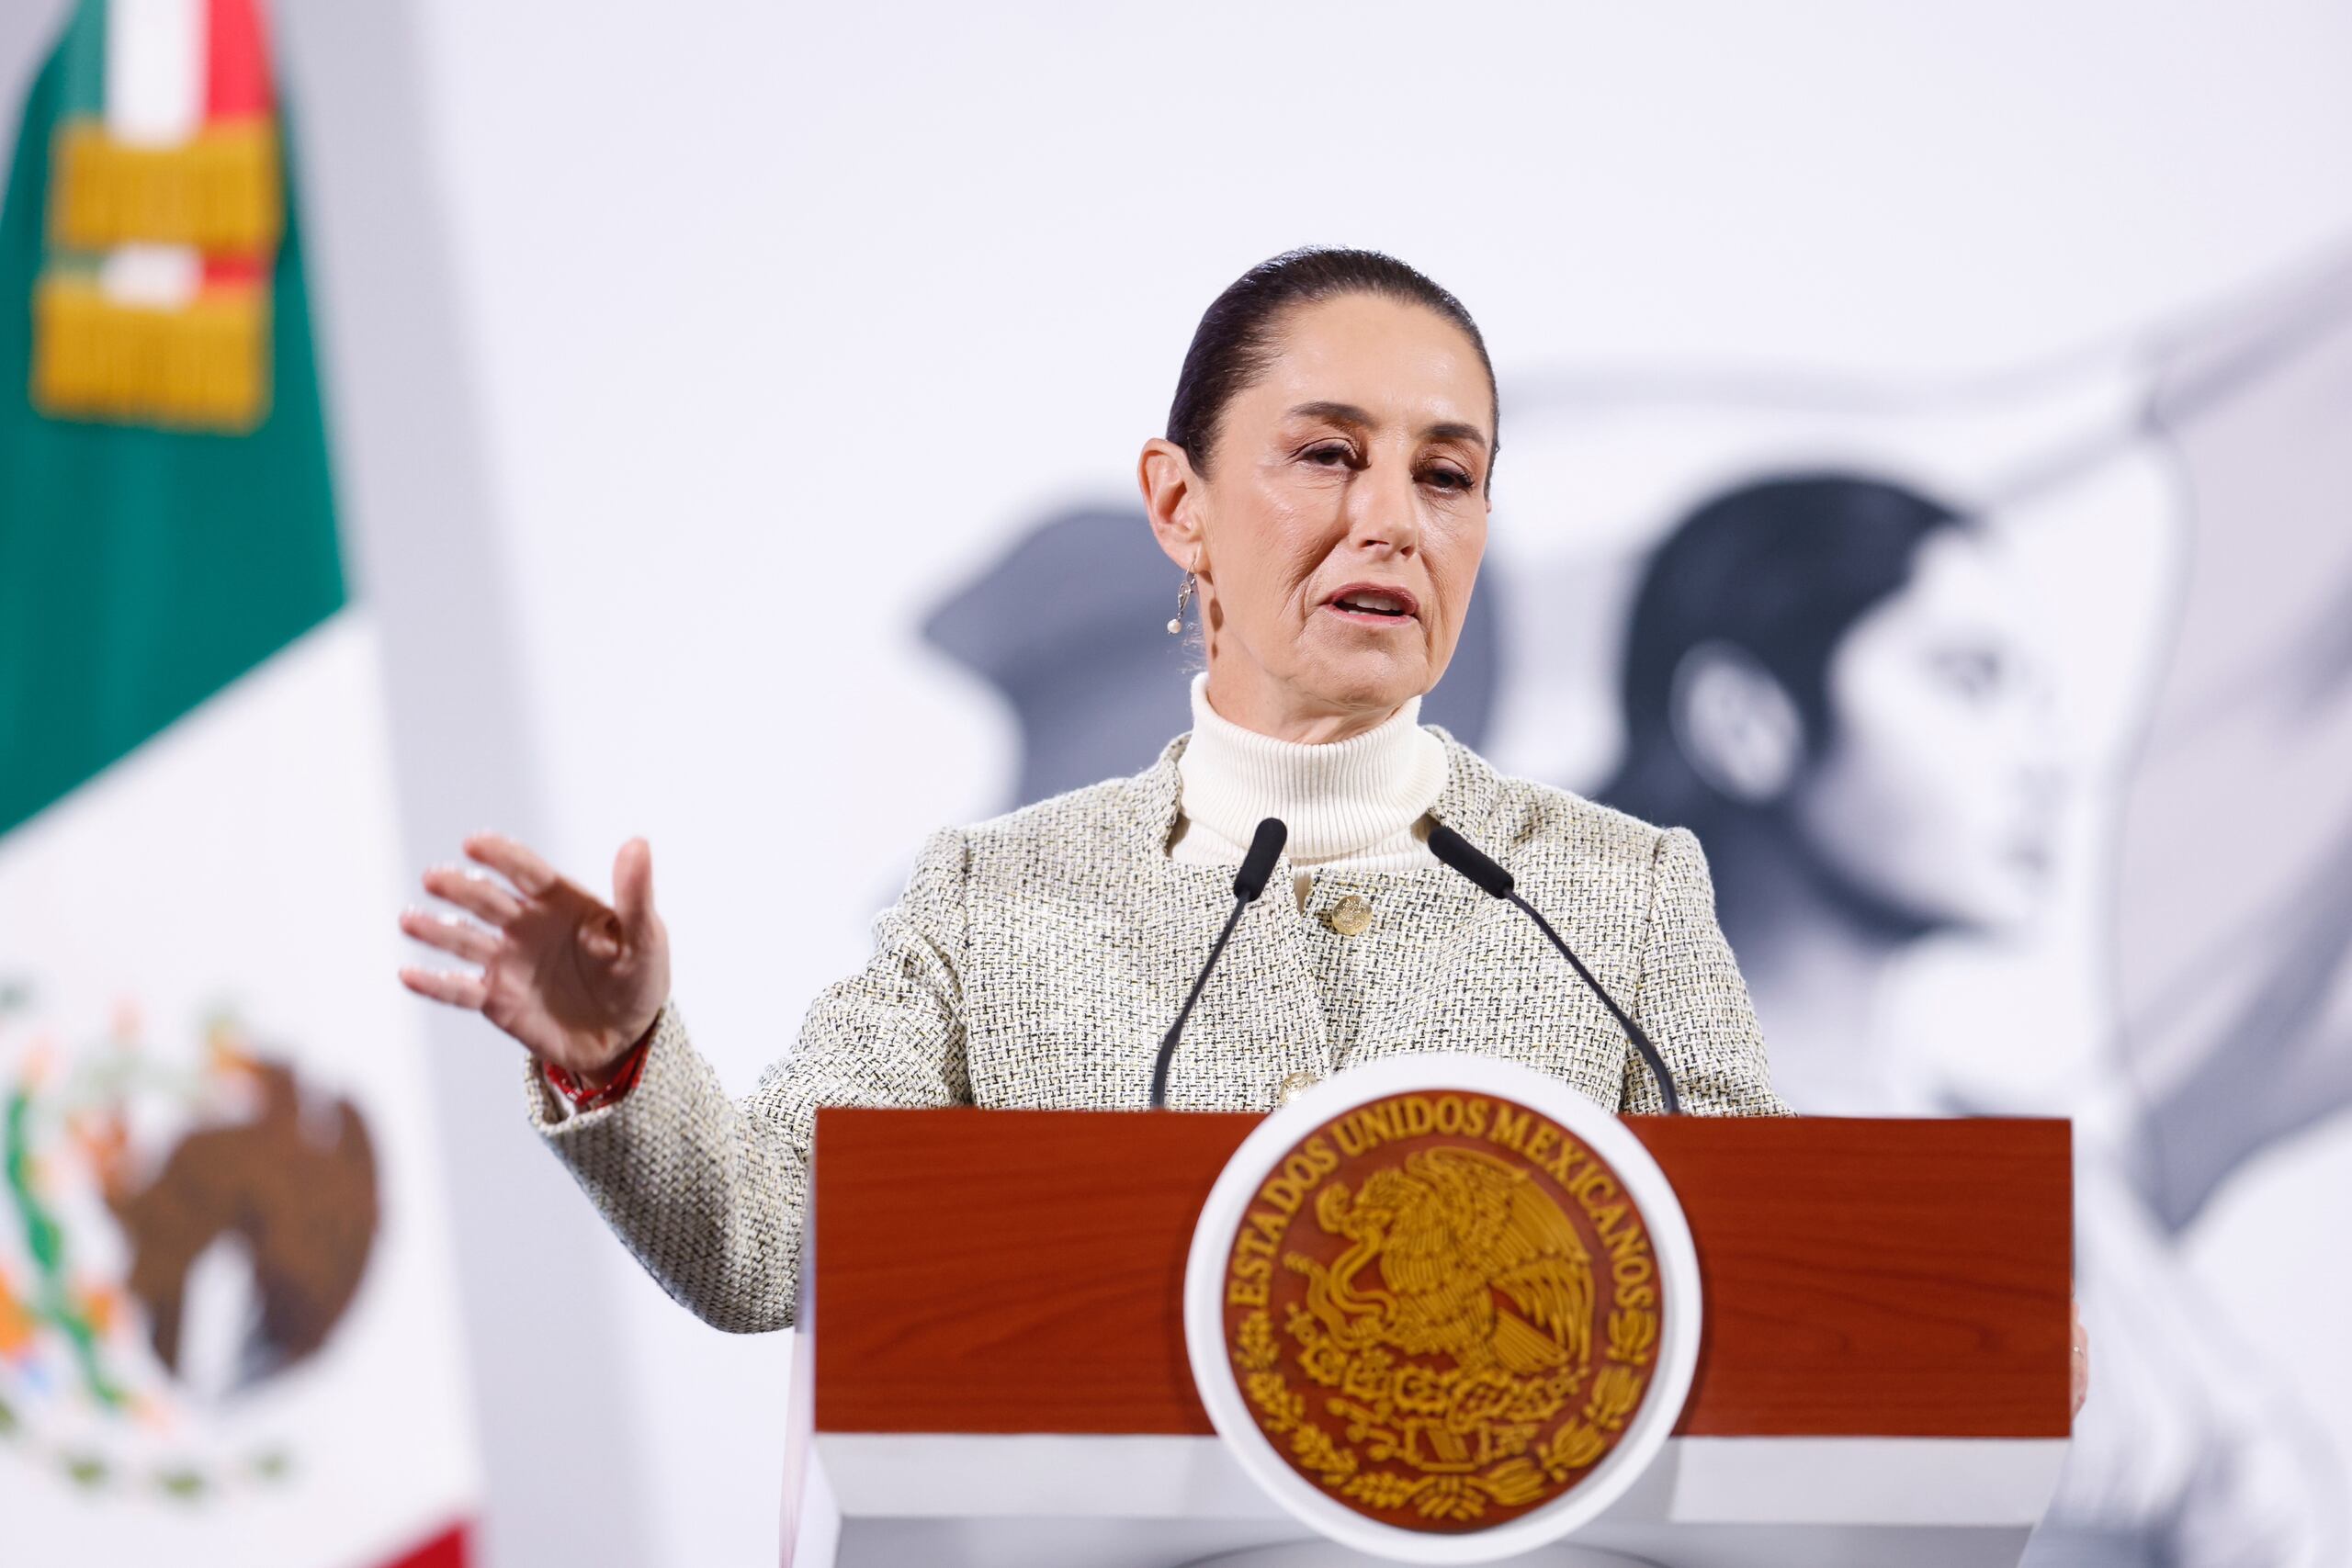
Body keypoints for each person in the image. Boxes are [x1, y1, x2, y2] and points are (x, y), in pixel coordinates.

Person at [392, 247, 1791, 1339]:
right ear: (1179, 505)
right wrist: (620, 1054)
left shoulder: (1620, 893)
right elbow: (766, 1247)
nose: (1392, 519)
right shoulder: (994, 901)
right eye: (1325, 454)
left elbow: (1773, 1288)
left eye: (1447, 474)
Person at [1602, 472, 2308, 1566]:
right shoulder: (1569, 1135)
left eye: (2036, 695)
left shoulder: (2043, 1166)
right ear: (1743, 720)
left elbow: (2263, 1500)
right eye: (1967, 681)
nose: (2042, 760)